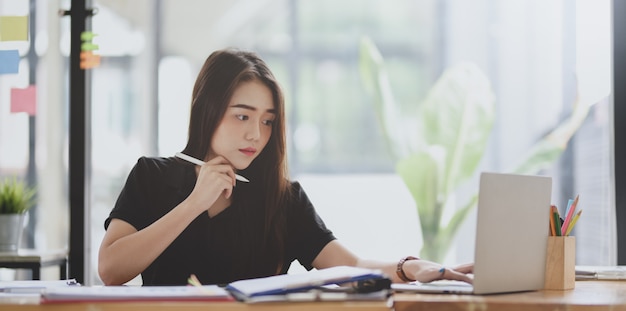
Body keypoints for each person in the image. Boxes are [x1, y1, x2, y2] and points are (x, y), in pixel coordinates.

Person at [97, 48, 473, 286]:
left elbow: (350, 265)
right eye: (242, 116)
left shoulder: (282, 197)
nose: (255, 135)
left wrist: (409, 268)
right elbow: (110, 270)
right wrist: (195, 202)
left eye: (267, 121)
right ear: (206, 111)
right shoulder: (152, 176)